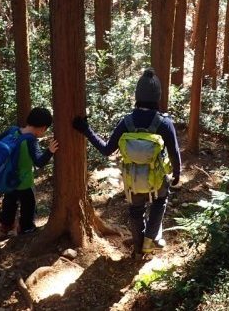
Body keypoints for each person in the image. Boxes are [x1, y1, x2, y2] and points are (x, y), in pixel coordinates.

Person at [72, 68, 181, 257]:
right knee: (160, 200)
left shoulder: (127, 122)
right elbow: (174, 152)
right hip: (157, 178)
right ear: (157, 97)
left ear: (137, 95)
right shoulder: (164, 123)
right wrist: (177, 174)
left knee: (136, 210)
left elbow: (107, 150)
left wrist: (86, 129)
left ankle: (138, 249)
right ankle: (150, 239)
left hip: (132, 180)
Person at [0, 107, 59, 237]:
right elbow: (39, 162)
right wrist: (50, 151)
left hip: (8, 179)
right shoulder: (30, 140)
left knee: (9, 202)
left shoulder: (13, 131)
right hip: (24, 182)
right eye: (45, 129)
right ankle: (26, 228)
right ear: (42, 127)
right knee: (28, 205)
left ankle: (5, 226)